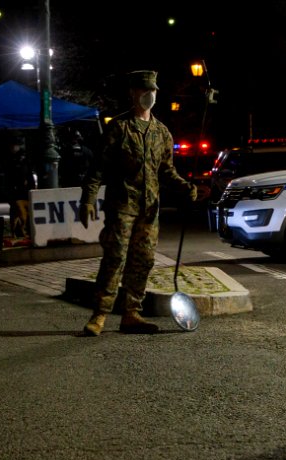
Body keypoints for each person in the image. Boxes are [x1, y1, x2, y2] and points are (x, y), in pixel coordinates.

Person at [78, 70, 199, 336]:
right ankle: (99, 315)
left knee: (143, 261)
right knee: (115, 259)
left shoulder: (162, 132)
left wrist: (185, 188)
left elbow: (166, 170)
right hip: (122, 206)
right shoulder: (119, 128)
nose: (149, 95)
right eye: (144, 90)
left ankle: (132, 314)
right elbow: (98, 168)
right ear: (132, 93)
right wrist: (88, 198)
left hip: (149, 209)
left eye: (153, 90)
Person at [6, 136, 37, 239]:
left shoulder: (23, 159)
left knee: (24, 214)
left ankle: (21, 232)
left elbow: (28, 175)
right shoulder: (11, 159)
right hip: (16, 192)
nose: (12, 148)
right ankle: (18, 232)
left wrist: (31, 188)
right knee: (17, 213)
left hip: (22, 192)